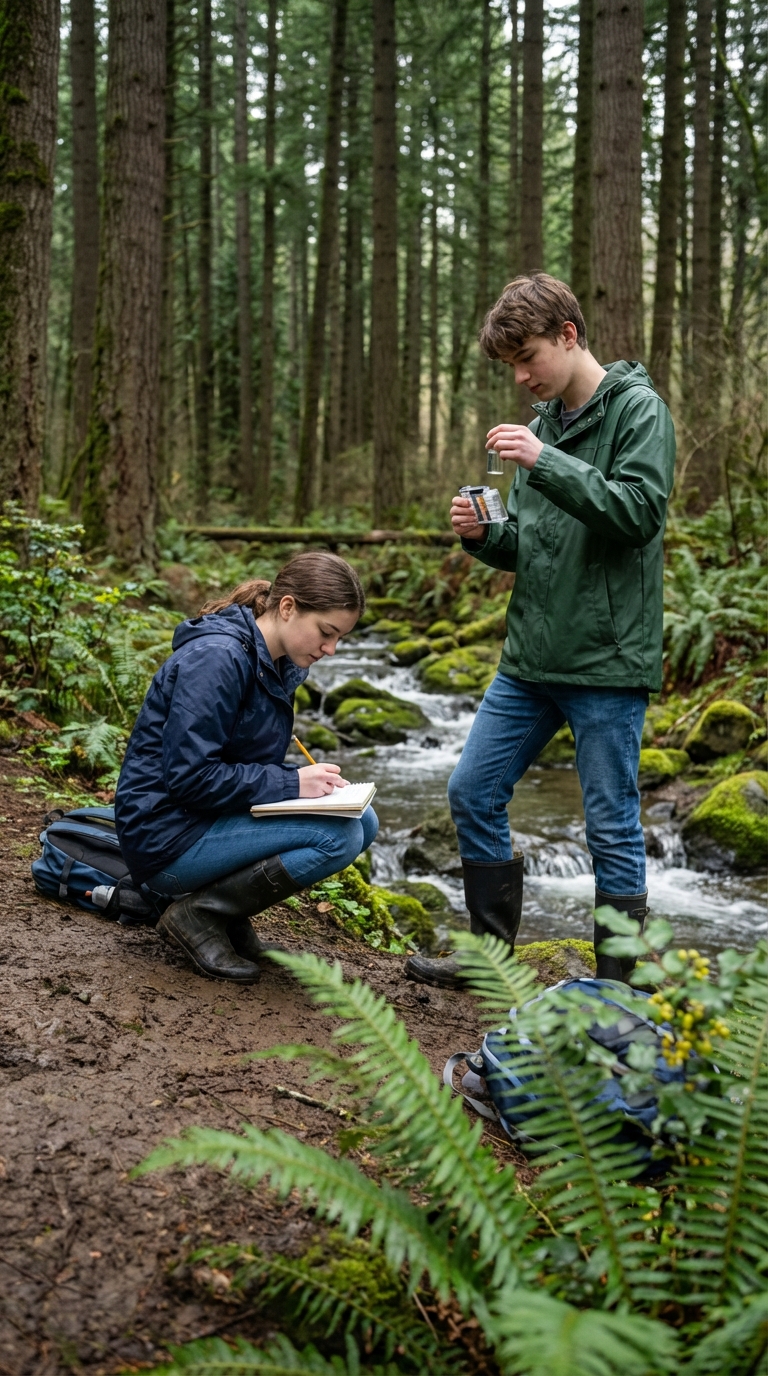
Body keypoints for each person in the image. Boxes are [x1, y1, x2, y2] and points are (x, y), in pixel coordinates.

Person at [406, 273, 676, 989]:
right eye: (512, 368)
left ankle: (620, 994)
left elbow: (638, 516)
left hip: (608, 665)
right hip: (530, 658)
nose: (522, 379)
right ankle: (491, 966)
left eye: (528, 359)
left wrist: (544, 462)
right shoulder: (544, 426)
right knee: (472, 791)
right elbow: (532, 543)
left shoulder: (640, 413)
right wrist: (484, 533)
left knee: (612, 831)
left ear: (569, 335)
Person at [115, 552, 377, 984]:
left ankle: (230, 919)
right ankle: (196, 916)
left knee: (362, 819)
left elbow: (239, 762)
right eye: (327, 633)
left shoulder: (276, 663)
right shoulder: (217, 660)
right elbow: (190, 778)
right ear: (288, 607)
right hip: (164, 836)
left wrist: (310, 785)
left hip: (204, 818)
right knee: (340, 836)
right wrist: (292, 781)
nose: (331, 650)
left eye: (340, 638)